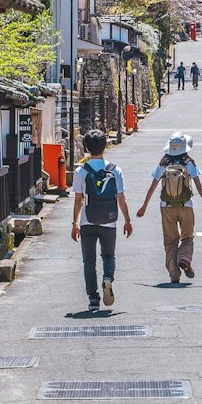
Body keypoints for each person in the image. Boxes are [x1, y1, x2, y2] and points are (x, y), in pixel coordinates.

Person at [136, 132, 202, 284]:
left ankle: (174, 273)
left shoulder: (163, 163)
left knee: (170, 241)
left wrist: (144, 206)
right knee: (187, 237)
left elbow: (152, 187)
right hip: (186, 205)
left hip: (166, 206)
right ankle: (184, 258)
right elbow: (199, 187)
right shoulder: (189, 163)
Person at [71, 130, 133, 310]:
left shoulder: (81, 171)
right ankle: (107, 279)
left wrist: (75, 224)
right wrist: (127, 221)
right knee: (108, 255)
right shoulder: (115, 170)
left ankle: (93, 299)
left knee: (88, 261)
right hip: (109, 221)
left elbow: (78, 200)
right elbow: (121, 198)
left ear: (87, 148)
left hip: (87, 222)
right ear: (104, 146)